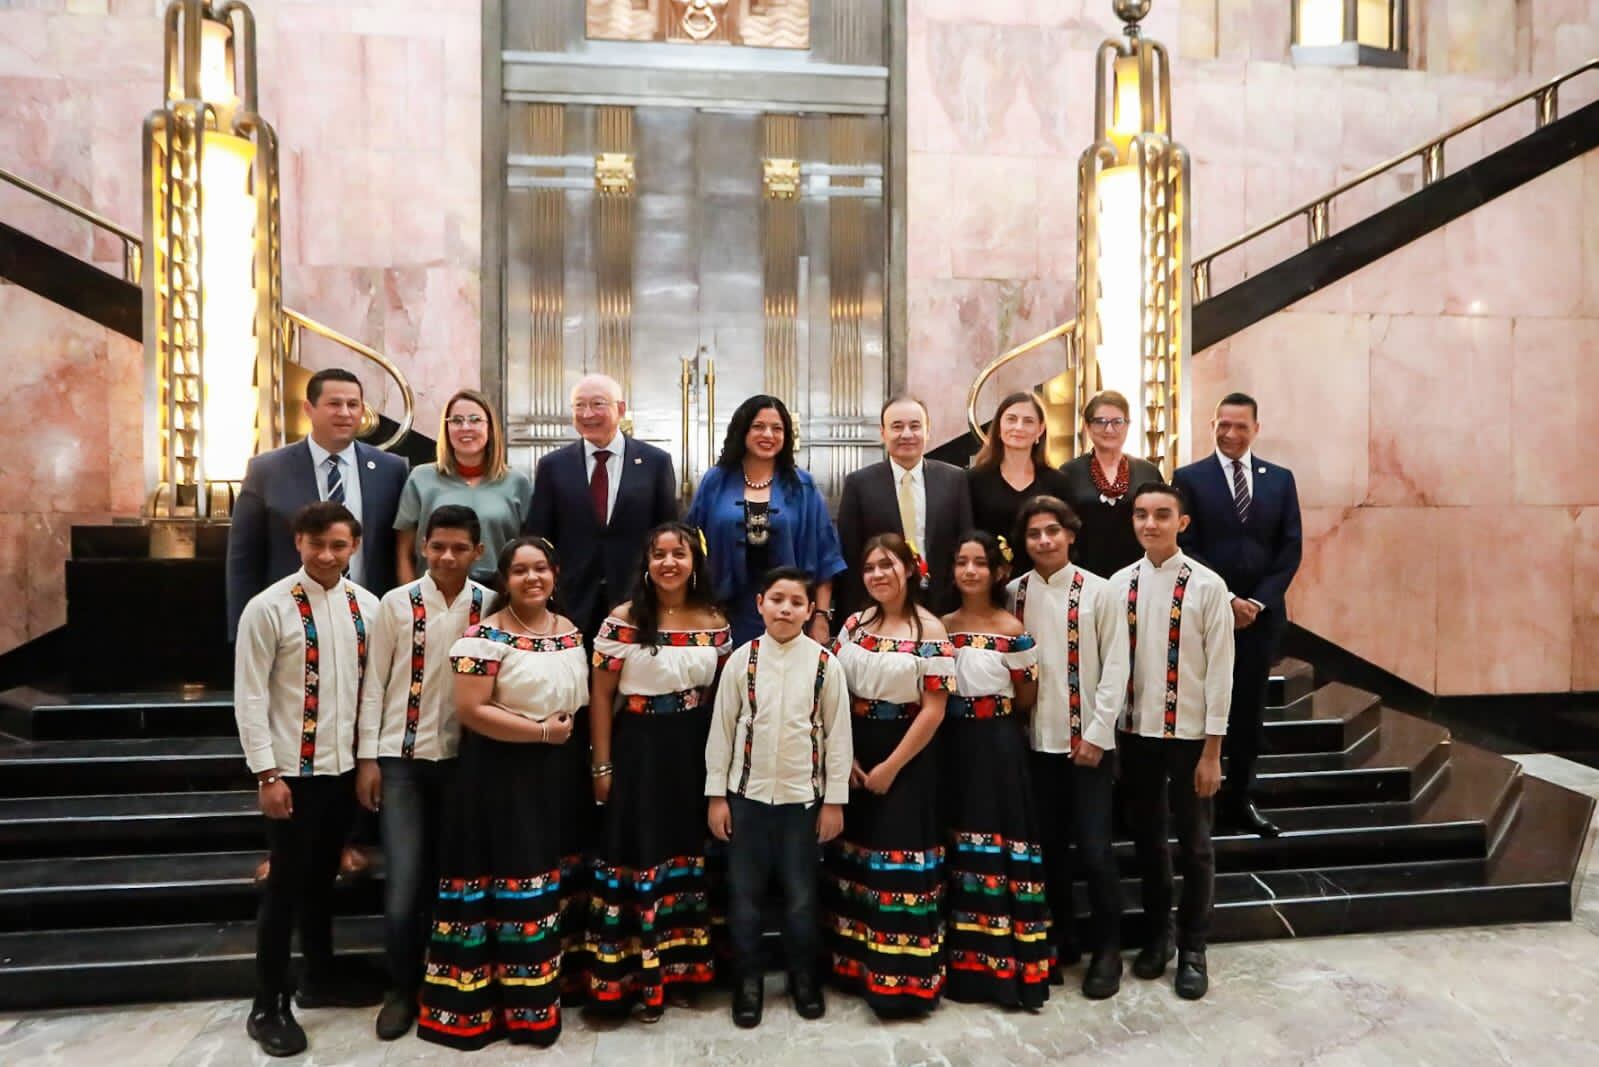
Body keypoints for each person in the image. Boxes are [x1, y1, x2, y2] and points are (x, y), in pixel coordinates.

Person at [416, 537, 590, 1050]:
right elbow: (472, 710)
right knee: (515, 876)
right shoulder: (482, 638)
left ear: (555, 574)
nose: (532, 578)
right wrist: (538, 732)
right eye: (520, 571)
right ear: (504, 579)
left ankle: (556, 987)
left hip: (560, 773)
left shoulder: (571, 631)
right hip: (502, 775)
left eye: (540, 569)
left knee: (554, 877)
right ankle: (510, 1009)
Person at [232, 501, 382, 1057]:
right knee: (286, 886)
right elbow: (249, 694)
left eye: (338, 545)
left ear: (354, 547)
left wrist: (368, 761)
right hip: (291, 771)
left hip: (342, 770)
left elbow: (371, 691)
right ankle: (266, 1004)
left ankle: (319, 977)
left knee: (323, 879)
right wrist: (266, 772)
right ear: (298, 541)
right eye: (316, 544)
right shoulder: (267, 608)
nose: (326, 555)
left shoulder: (365, 605)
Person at [355, 505, 492, 1041]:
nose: (448, 557)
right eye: (438, 547)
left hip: (465, 765)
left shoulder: (490, 604)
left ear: (478, 552)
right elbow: (374, 683)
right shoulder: (396, 604)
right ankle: (400, 988)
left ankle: (451, 985)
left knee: (457, 880)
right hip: (403, 761)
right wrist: (370, 757)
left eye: (460, 548)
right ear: (423, 548)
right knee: (405, 882)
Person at [585, 523, 732, 1021]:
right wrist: (601, 764)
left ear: (696, 562)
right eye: (659, 554)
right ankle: (640, 976)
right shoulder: (622, 621)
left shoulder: (714, 620)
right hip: (639, 748)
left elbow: (720, 694)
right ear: (646, 563)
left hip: (693, 749)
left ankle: (688, 971)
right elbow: (602, 696)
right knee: (644, 851)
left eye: (679, 554)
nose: (669, 562)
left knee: (689, 852)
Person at [705, 566, 852, 1029]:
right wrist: (716, 796)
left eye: (796, 602)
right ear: (760, 604)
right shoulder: (740, 662)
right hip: (746, 799)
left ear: (811, 610)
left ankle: (802, 977)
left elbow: (837, 736)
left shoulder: (826, 664)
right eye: (777, 599)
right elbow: (722, 731)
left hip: (802, 802)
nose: (785, 609)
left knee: (801, 897)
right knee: (744, 897)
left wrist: (834, 800)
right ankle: (747, 983)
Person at [1110, 482, 1233, 1001]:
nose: (1150, 524)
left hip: (1189, 739)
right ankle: (1157, 938)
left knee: (1196, 845)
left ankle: (1194, 948)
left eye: (1162, 515)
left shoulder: (1206, 586)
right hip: (1137, 735)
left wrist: (1212, 751)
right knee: (1147, 840)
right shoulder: (1119, 584)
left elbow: (1222, 671)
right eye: (1141, 515)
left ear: (1182, 522)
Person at [825, 534, 953, 1019]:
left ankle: (903, 981)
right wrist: (848, 756)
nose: (878, 574)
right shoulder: (855, 624)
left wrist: (890, 767)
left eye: (888, 565)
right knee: (856, 860)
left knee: (898, 860)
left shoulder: (930, 630)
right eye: (870, 566)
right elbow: (833, 688)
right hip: (856, 749)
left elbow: (935, 709)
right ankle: (853, 967)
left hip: (908, 755)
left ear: (909, 569)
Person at [1008, 496, 1129, 1000]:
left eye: (1052, 531)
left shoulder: (1099, 593)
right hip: (1036, 745)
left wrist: (1098, 735)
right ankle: (1063, 936)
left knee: (1097, 851)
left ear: (1071, 534)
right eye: (1034, 533)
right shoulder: (1013, 594)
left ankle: (1109, 950)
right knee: (1050, 850)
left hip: (1088, 746)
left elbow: (1117, 667)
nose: (1043, 541)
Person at [1171, 392, 1302, 838]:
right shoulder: (1188, 479)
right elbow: (1185, 547)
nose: (1229, 433)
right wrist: (1225, 598)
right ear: (1213, 424)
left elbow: (1290, 548)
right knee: (1205, 704)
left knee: (1248, 709)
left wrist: (1257, 602)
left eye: (1239, 426)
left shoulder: (1280, 480)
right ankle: (1196, 800)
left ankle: (1240, 798)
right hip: (1207, 614)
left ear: (1256, 429)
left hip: (1261, 620)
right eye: (1222, 425)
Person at [938, 530, 1049, 1011]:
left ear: (997, 571)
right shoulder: (940, 626)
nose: (969, 571)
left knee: (996, 847)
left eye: (979, 563)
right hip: (949, 744)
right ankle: (959, 965)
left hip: (998, 747)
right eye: (961, 561)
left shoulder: (1013, 629)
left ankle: (1003, 967)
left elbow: (1026, 696)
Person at [228, 367, 409, 638]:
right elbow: (243, 560)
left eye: (353, 405)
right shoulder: (266, 470)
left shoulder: (392, 469)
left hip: (370, 622)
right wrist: (243, 630)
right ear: (309, 409)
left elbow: (400, 549)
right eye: (334, 404)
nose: (345, 413)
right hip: (290, 625)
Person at [523, 374, 678, 640]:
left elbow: (668, 531)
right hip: (571, 601)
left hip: (636, 599)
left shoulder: (655, 462)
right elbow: (538, 536)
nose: (587, 414)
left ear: (620, 409)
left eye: (597, 404)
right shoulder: (553, 466)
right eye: (579, 406)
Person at [688, 394, 846, 646]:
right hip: (722, 612)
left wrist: (820, 617)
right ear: (743, 430)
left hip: (790, 613)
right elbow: (691, 546)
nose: (768, 435)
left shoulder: (802, 485)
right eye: (758, 426)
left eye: (777, 428)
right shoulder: (715, 481)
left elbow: (825, 556)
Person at [837, 395, 975, 618]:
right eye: (897, 426)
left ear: (928, 431)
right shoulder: (859, 484)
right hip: (881, 606)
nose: (907, 434)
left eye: (915, 426)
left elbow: (966, 542)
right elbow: (851, 555)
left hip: (945, 605)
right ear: (883, 433)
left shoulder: (955, 479)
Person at [395, 389, 533, 590]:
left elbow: (528, 550)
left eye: (475, 420)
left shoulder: (517, 482)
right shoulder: (420, 478)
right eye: (457, 421)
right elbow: (403, 551)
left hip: (498, 599)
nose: (466, 427)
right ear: (446, 428)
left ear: (491, 427)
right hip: (434, 597)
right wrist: (411, 602)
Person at [1059, 390, 1165, 578]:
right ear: (1087, 426)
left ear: (1127, 425)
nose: (1109, 429)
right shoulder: (1068, 473)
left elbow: (1163, 524)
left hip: (1141, 576)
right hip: (1082, 576)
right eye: (1100, 422)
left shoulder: (1147, 472)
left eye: (1117, 422)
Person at [966, 391, 1072, 546]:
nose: (1018, 427)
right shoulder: (973, 480)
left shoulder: (1058, 482)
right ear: (999, 426)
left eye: (1028, 421)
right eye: (1011, 419)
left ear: (1040, 429)